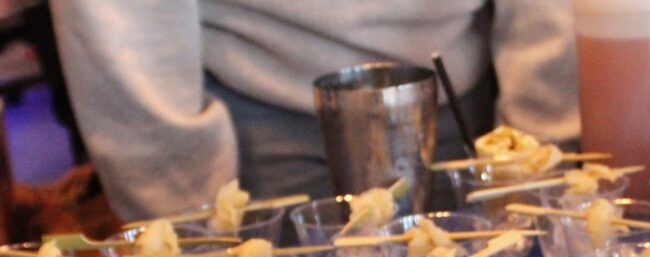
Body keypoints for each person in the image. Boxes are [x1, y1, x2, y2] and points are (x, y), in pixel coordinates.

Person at [50, 1, 580, 220]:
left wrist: (538, 158)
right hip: (248, 136)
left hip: (472, 112)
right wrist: (183, 216)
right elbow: (121, 21)